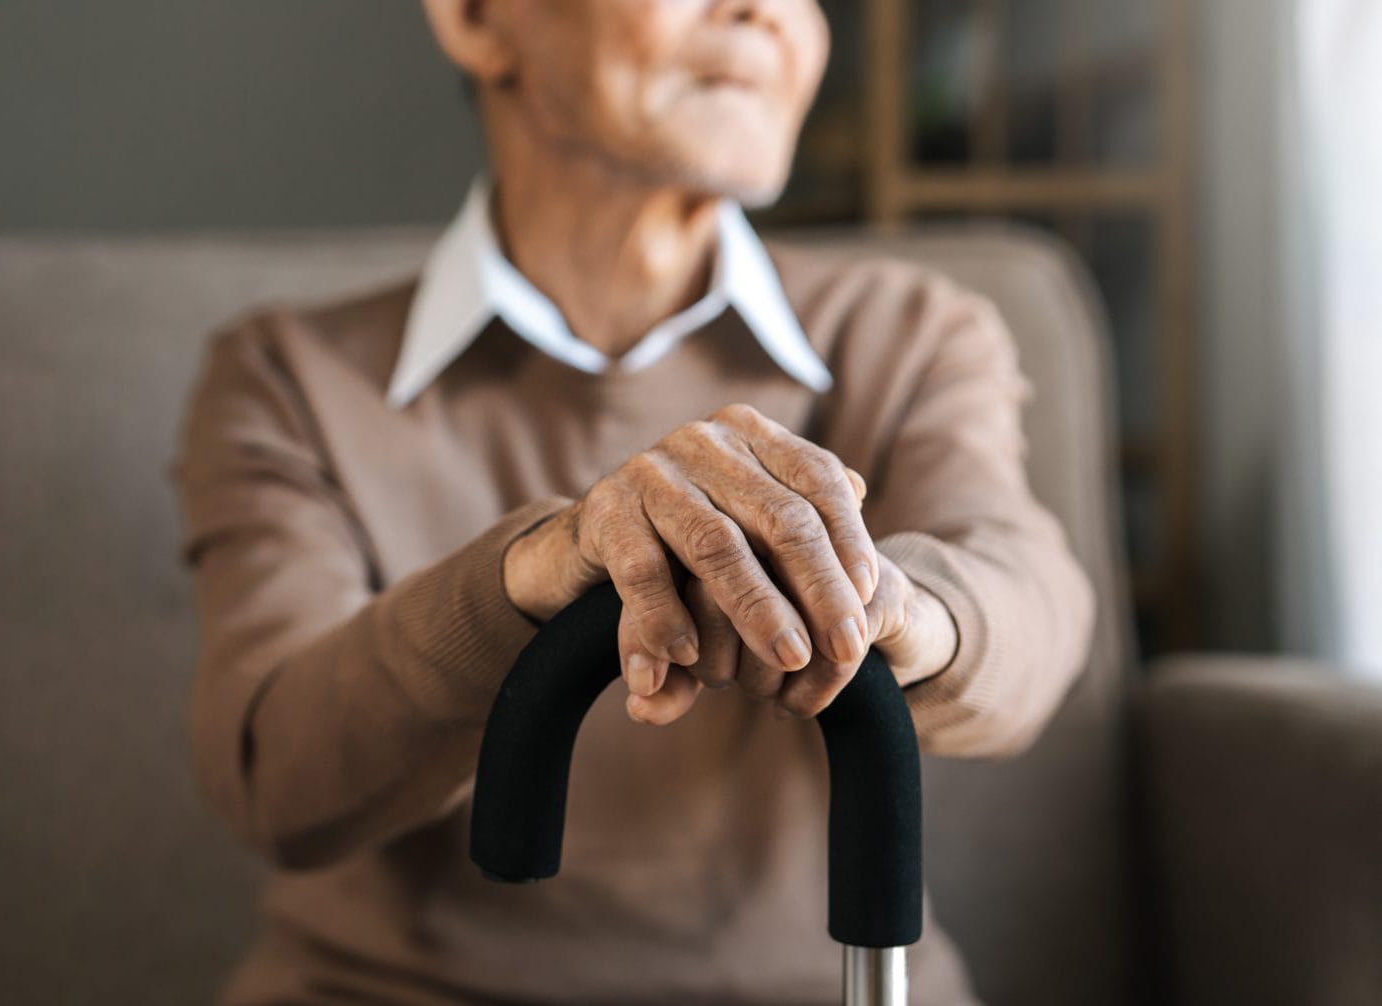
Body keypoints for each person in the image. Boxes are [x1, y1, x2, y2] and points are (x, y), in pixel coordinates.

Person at [172, 1, 1095, 1002]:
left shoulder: (913, 335)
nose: (764, 13)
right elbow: (278, 777)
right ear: (479, 20)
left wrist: (886, 602)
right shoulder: (283, 375)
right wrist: (530, 575)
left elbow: (1024, 594)